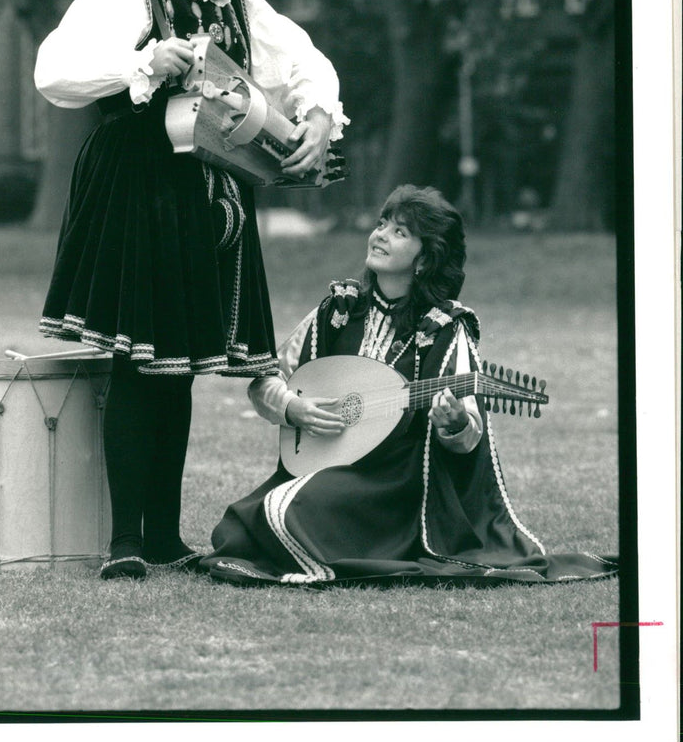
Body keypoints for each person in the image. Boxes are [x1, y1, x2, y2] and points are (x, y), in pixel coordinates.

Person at [34, 0, 348, 580]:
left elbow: (302, 59)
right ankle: (123, 542)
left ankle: (166, 537)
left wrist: (319, 116)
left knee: (178, 371)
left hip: (210, 192)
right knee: (136, 363)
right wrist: (141, 62)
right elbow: (54, 73)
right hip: (136, 183)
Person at [201, 185, 618, 586]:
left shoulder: (444, 330)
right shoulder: (338, 311)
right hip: (325, 464)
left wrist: (453, 423)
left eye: (400, 231)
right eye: (382, 223)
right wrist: (292, 408)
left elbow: (469, 435)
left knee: (283, 513)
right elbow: (265, 375)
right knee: (239, 524)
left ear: (424, 259)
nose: (380, 234)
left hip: (392, 487)